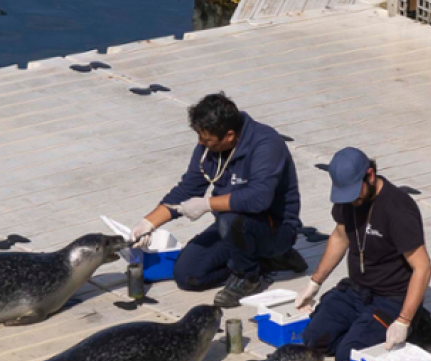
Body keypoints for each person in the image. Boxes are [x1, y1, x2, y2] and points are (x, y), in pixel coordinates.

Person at [129, 93, 307, 309]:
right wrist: (148, 223)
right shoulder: (210, 147)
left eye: (206, 140)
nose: (200, 143)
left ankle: (249, 277)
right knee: (187, 275)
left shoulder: (266, 145)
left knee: (231, 218)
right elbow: (188, 188)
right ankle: (265, 261)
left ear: (229, 135)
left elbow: (258, 199)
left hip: (273, 228)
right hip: (230, 228)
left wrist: (206, 205)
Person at [297, 147, 431, 361]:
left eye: (354, 193)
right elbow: (340, 235)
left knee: (348, 359)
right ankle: (361, 331)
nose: (350, 200)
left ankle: (416, 325)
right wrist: (314, 282)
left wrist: (403, 321)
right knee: (312, 341)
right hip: (356, 290)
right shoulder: (348, 199)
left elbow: (423, 268)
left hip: (391, 298)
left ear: (370, 175)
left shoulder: (398, 209)